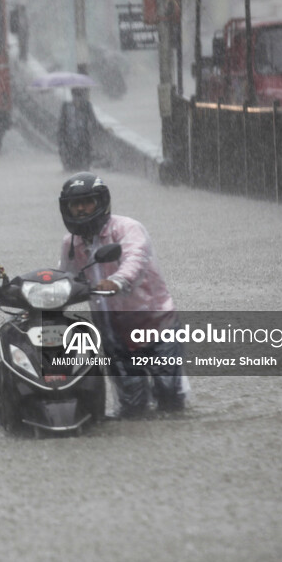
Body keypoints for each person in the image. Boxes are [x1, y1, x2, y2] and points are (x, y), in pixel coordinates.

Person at [57, 171, 189, 416]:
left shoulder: (128, 228)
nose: (82, 209)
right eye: (76, 204)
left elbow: (135, 260)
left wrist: (117, 281)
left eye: (88, 202)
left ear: (101, 202)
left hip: (156, 324)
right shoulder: (70, 244)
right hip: (112, 332)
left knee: (171, 400)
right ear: (67, 208)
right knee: (131, 406)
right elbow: (65, 279)